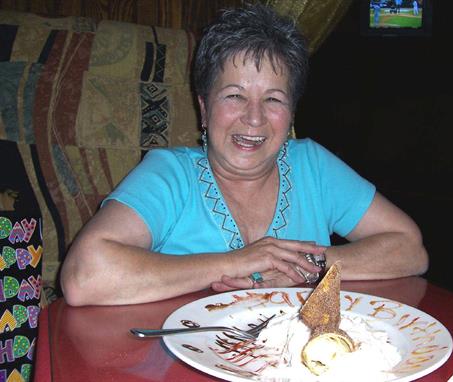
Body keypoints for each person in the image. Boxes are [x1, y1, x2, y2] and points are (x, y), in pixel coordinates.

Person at [60, 4, 428, 307]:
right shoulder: (169, 173)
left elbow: (409, 248)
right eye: (234, 95)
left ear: (292, 114)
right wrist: (237, 262)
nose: (254, 118)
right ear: (204, 108)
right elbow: (84, 276)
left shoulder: (314, 166)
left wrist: (308, 267)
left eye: (274, 99)